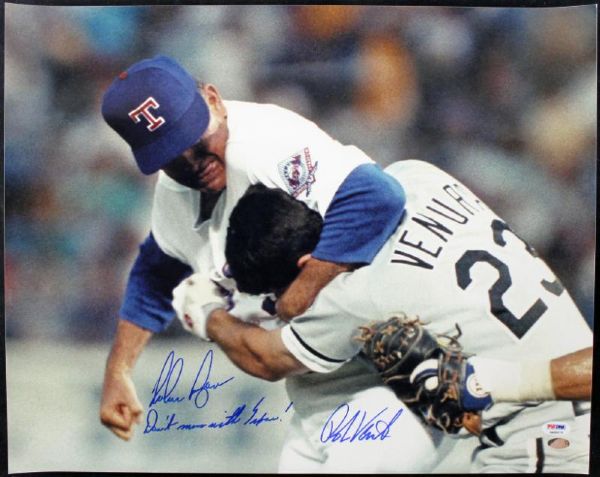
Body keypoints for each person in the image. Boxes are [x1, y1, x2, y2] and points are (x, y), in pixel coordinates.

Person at [193, 161, 592, 473]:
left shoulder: (351, 298)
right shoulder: (415, 176)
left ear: (306, 264)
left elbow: (265, 358)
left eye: (278, 293)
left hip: (548, 440)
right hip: (564, 388)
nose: (279, 303)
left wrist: (207, 311)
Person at [98, 55, 406, 441]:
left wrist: (299, 294)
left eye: (194, 140)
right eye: (172, 155)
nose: (193, 162)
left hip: (394, 335)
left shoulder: (266, 145)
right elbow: (155, 273)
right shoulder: (175, 192)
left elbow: (379, 196)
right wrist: (118, 371)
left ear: (213, 99)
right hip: (329, 373)